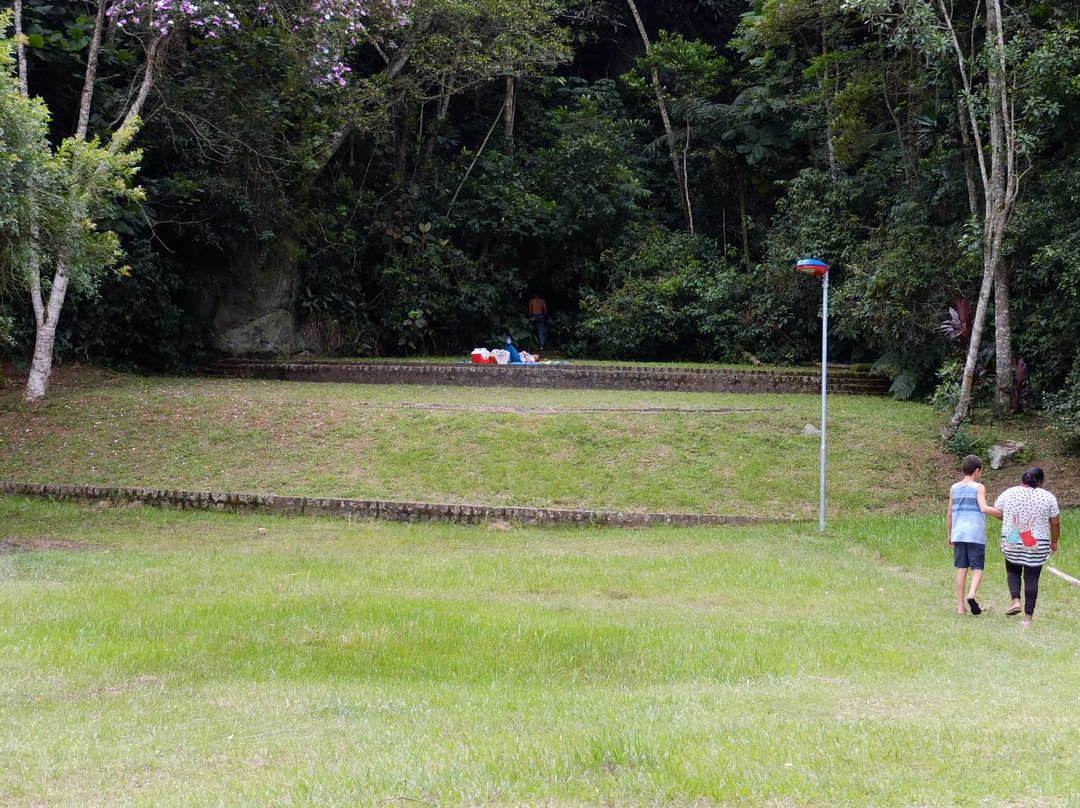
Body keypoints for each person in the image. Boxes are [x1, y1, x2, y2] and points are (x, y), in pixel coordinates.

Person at [994, 466, 1061, 625]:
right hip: (1037, 543)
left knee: (1012, 570)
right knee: (1032, 577)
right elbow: (1055, 524)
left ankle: (1015, 601)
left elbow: (999, 514)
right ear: (1040, 482)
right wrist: (1054, 541)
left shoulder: (1009, 493)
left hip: (1011, 541)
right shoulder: (1048, 497)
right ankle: (1028, 616)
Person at [948, 454, 1003, 615]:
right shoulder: (978, 487)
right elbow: (984, 508)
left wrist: (950, 534)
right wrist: (1001, 514)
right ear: (977, 471)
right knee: (977, 567)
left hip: (958, 533)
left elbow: (950, 513)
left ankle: (960, 607)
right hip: (975, 533)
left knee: (961, 567)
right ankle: (971, 594)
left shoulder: (954, 488)